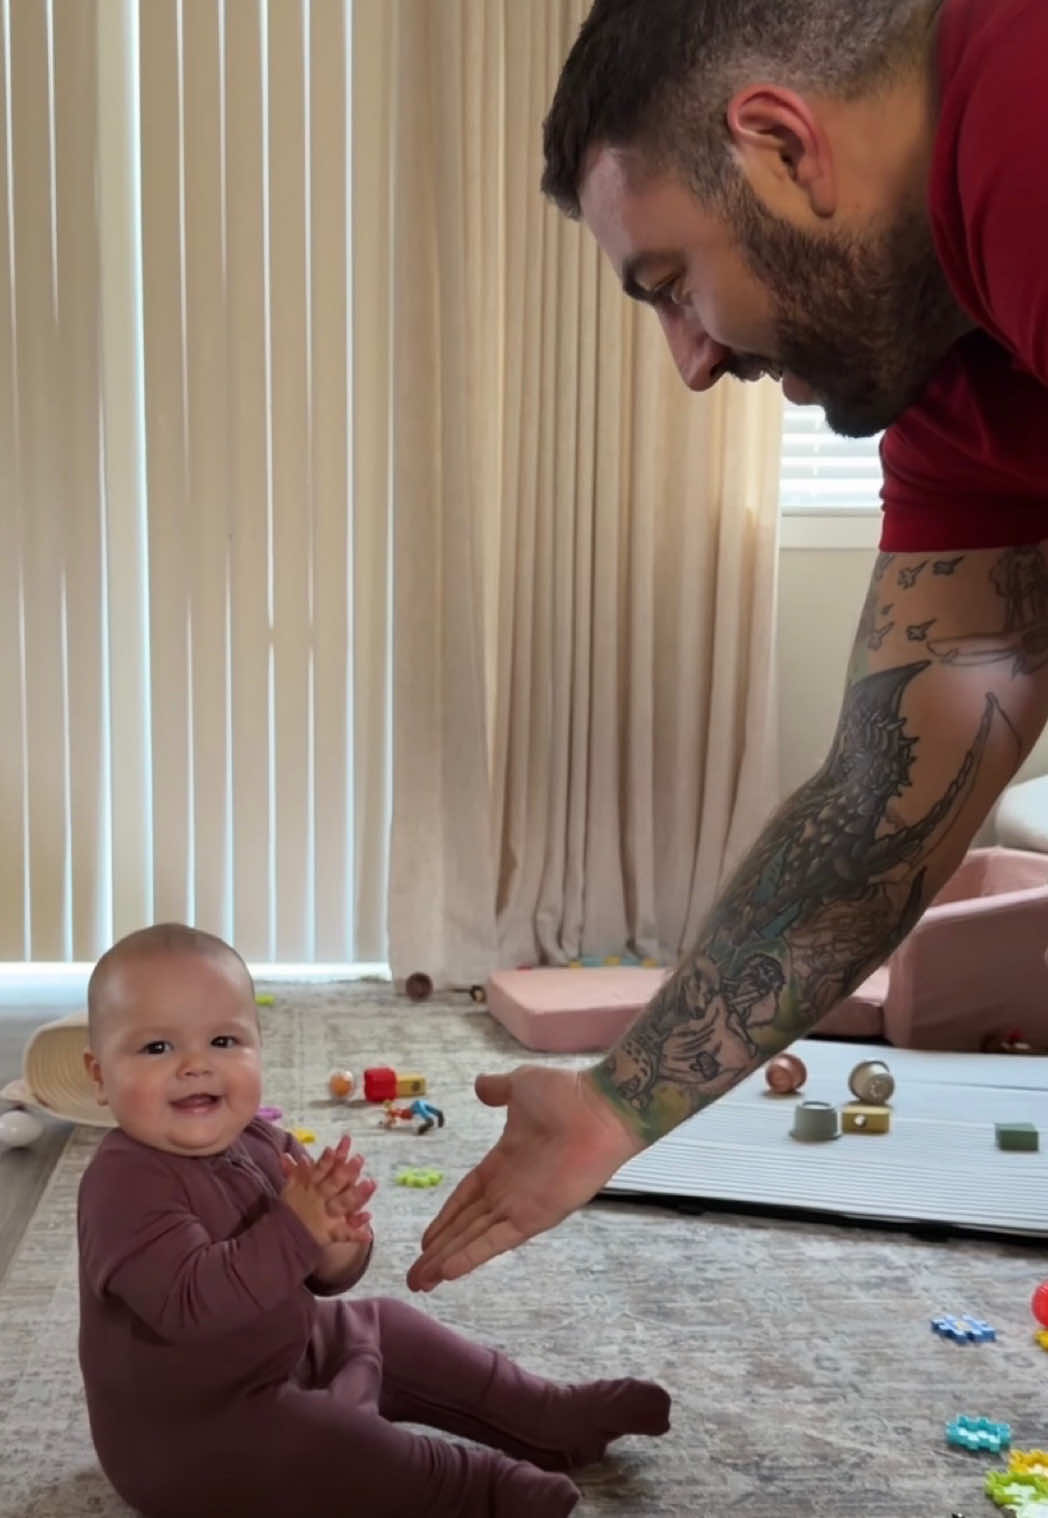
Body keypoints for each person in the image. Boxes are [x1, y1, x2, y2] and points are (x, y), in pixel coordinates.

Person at [406, 0, 1048, 1294]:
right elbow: (883, 804)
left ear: (781, 145)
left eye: (672, 283)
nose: (690, 361)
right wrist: (613, 1105)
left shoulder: (1025, 125)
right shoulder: (951, 375)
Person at [76, 923, 670, 1518]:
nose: (195, 1067)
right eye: (157, 1048)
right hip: (192, 1439)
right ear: (99, 1077)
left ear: (259, 1046)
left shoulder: (260, 1140)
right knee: (326, 1441)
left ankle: (548, 1415)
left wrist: (335, 1245)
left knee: (382, 1324)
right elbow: (191, 1304)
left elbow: (323, 1276)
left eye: (224, 1042)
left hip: (282, 1353)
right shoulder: (123, 1184)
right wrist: (294, 1230)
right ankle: (478, 1492)